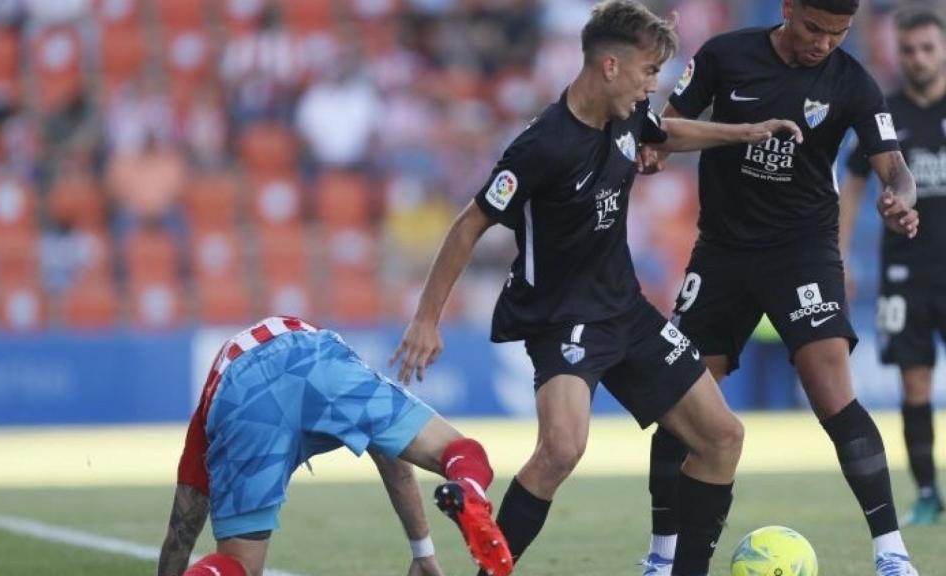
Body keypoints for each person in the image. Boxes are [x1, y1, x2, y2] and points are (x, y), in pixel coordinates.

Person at [391, 2, 804, 575]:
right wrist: (427, 319)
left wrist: (745, 133)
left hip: (626, 310)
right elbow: (470, 223)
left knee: (722, 437)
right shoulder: (543, 145)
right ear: (610, 66)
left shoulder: (629, 114)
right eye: (647, 72)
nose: (652, 85)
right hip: (561, 318)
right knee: (562, 449)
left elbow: (665, 131)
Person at [638, 0, 922, 574]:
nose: (823, 43)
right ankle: (661, 557)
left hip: (803, 252)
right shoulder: (725, 55)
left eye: (837, 34)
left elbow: (895, 166)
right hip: (721, 251)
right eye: (815, 28)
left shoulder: (853, 81)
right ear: (789, 9)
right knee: (681, 404)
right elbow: (665, 130)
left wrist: (901, 200)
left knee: (833, 395)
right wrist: (725, 135)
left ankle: (892, 552)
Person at [157, 316, 514, 576]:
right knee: (459, 451)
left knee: (236, 566)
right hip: (316, 355)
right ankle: (470, 491)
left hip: (240, 389)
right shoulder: (333, 356)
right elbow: (392, 457)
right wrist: (422, 551)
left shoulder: (204, 419)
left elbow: (182, 525)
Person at [840, 7, 946, 527]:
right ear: (897, 52)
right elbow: (854, 182)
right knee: (914, 385)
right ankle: (927, 492)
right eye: (909, 50)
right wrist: (838, 254)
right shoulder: (884, 117)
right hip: (905, 273)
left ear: (943, 49)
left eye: (928, 48)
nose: (919, 58)